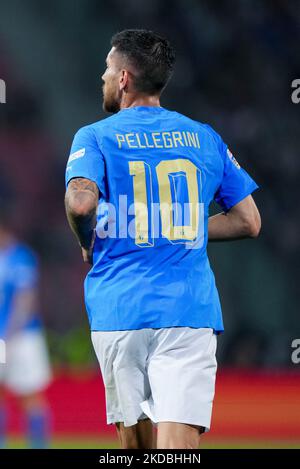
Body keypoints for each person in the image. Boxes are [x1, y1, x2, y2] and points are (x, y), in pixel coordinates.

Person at [64, 29, 261, 449]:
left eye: (106, 68)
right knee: (179, 446)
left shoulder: (95, 136)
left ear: (123, 79)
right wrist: (178, 223)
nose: (102, 77)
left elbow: (81, 203)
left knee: (135, 448)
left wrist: (86, 240)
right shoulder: (203, 136)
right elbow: (248, 221)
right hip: (189, 311)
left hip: (119, 308)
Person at [0, 204, 52, 448]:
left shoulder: (21, 257)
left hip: (24, 337)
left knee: (31, 394)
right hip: (1, 338)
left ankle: (38, 444)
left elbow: (26, 300)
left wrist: (10, 333)